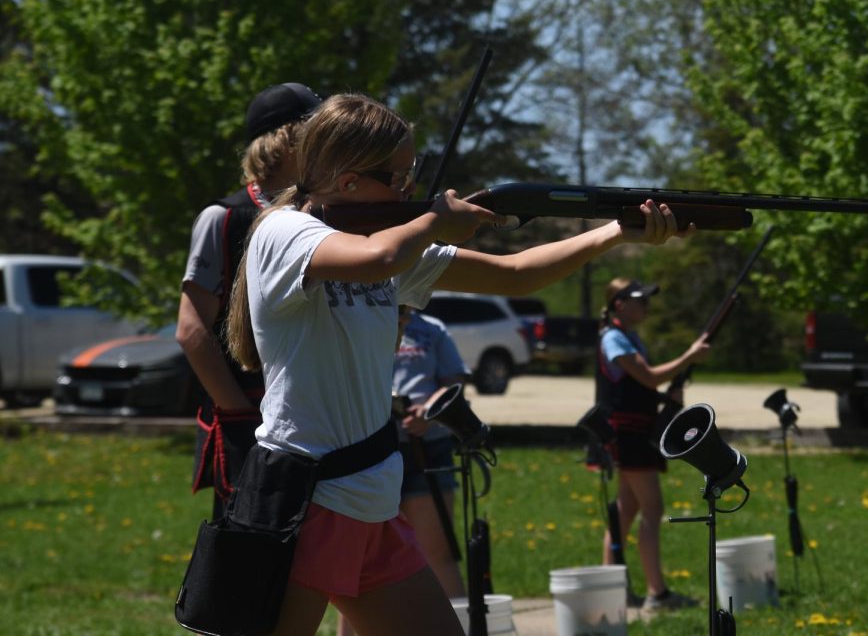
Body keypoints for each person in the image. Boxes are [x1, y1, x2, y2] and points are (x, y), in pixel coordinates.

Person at [224, 92, 694, 635]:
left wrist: (616, 232)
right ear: (347, 181)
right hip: (307, 502)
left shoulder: (391, 242)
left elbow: (515, 273)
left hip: (372, 498)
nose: (408, 187)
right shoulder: (285, 234)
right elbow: (380, 259)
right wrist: (432, 222)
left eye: (412, 171)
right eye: (396, 176)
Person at [175, 82, 322, 517]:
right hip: (248, 414)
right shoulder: (223, 219)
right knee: (249, 559)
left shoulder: (325, 216)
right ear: (285, 139)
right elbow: (192, 328)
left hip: (316, 413)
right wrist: (239, 413)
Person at [337, 305, 469, 636]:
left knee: (437, 548)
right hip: (370, 448)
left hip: (428, 448)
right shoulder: (358, 319)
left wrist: (429, 411)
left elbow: (452, 381)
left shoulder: (433, 328)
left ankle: (459, 625)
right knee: (359, 558)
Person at [595, 277, 710, 613]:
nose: (645, 305)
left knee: (625, 512)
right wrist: (689, 356)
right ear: (620, 304)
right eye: (639, 300)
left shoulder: (628, 336)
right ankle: (656, 594)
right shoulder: (615, 338)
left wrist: (665, 397)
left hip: (634, 431)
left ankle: (610, 589)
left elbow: (643, 386)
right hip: (628, 434)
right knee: (652, 510)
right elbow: (649, 377)